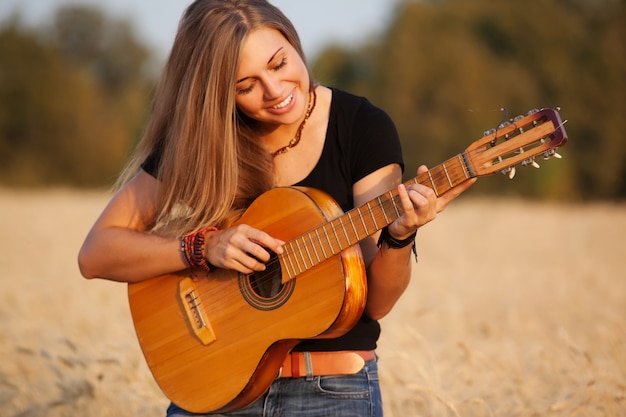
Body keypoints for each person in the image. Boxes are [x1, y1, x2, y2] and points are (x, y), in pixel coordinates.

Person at [78, 0, 474, 416]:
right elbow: (95, 254)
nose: (275, 90)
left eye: (279, 62)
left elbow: (374, 304)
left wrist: (400, 235)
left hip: (331, 393)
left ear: (292, 40)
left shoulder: (361, 126)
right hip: (215, 387)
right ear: (217, 96)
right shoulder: (205, 141)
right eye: (246, 86)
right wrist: (202, 247)